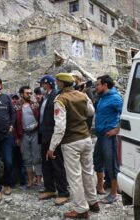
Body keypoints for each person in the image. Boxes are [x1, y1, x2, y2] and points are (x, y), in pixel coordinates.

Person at [47, 73, 99, 218]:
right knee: (88, 172)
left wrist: (52, 147)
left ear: (62, 84)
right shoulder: (82, 95)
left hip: (71, 142)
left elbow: (60, 127)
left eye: (57, 81)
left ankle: (81, 209)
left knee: (74, 177)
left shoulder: (60, 99)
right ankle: (93, 201)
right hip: (86, 139)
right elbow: (91, 112)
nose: (57, 84)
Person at [37, 75, 70, 205]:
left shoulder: (56, 97)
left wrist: (55, 140)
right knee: (46, 164)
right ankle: (50, 189)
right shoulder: (46, 98)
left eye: (42, 84)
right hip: (44, 136)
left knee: (57, 164)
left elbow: (58, 120)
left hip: (53, 137)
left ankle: (63, 192)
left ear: (48, 84)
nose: (41, 87)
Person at [93, 75, 123, 204]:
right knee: (97, 160)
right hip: (100, 135)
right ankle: (100, 187)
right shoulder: (102, 97)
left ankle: (114, 193)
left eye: (98, 85)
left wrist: (116, 130)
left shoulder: (115, 98)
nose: (96, 87)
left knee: (111, 164)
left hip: (109, 136)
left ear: (105, 85)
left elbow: (124, 115)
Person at [14, 86, 42, 189]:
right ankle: (30, 182)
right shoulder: (16, 107)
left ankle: (39, 182)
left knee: (37, 158)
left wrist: (37, 125)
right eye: (27, 93)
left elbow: (40, 118)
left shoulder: (35, 105)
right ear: (21, 94)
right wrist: (17, 137)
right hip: (24, 135)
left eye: (30, 93)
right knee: (27, 159)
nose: (29, 95)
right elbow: (15, 123)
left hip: (35, 133)